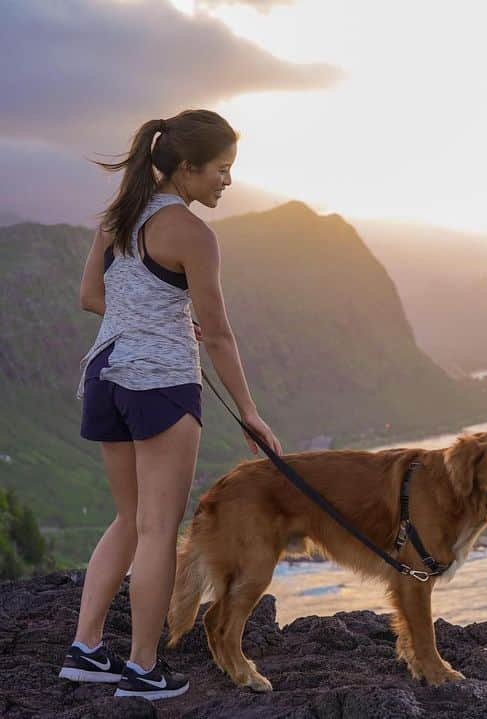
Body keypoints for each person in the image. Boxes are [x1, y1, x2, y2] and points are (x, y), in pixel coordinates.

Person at [58, 109, 283, 701]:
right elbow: (219, 333)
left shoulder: (119, 215)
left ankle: (85, 649)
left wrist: (142, 317)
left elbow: (90, 296)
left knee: (130, 519)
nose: (226, 182)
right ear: (186, 167)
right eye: (221, 170)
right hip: (159, 384)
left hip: (106, 374)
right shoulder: (193, 234)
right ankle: (143, 669)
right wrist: (251, 413)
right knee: (159, 530)